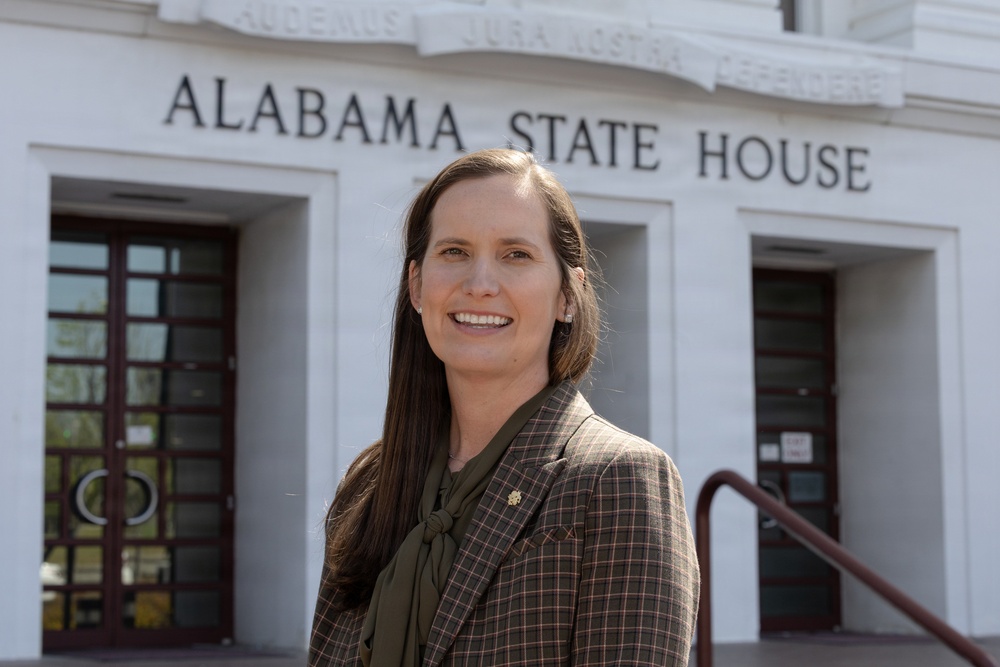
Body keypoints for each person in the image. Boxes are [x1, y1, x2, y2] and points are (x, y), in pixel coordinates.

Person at [309, 148, 699, 667]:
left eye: (516, 254)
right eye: (454, 252)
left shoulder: (620, 478)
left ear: (568, 294)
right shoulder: (370, 485)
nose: (480, 284)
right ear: (417, 285)